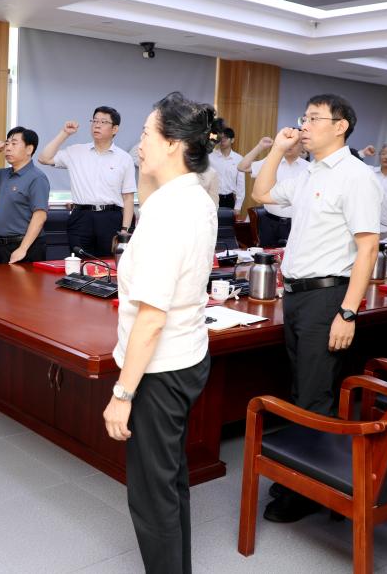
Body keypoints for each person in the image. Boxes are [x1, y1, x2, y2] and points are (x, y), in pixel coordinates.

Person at [252, 93, 381, 523]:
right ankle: (301, 475)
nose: (303, 126)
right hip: (298, 295)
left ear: (340, 126)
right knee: (302, 388)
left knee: (314, 394)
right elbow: (261, 192)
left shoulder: (355, 176)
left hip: (328, 297)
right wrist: (277, 150)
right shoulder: (309, 172)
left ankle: (308, 491)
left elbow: (367, 248)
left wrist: (348, 312)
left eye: (313, 119)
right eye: (303, 117)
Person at [102, 92, 216, 574]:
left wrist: (122, 394)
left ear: (173, 143)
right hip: (185, 356)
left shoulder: (171, 211)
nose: (139, 143)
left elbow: (150, 318)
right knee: (168, 480)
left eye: (147, 133)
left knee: (152, 494)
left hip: (159, 369)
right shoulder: (191, 196)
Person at [38, 107, 135, 257]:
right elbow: (44, 158)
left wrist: (125, 230)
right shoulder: (76, 151)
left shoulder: (124, 158)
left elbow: (128, 198)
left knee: (108, 264)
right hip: (81, 217)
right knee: (79, 262)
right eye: (94, 121)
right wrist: (64, 133)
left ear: (115, 129)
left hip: (110, 218)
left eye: (103, 122)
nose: (97, 125)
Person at [0, 127, 50, 264]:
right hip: (3, 245)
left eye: (14, 144)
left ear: (29, 149)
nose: (8, 148)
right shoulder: (5, 174)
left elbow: (40, 216)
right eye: (7, 144)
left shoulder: (37, 178)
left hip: (27, 245)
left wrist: (23, 248)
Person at [239, 136, 310, 247]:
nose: (289, 145)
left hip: (297, 223)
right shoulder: (271, 163)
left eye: (294, 143)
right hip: (269, 222)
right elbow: (242, 167)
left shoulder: (309, 168)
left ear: (302, 146)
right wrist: (260, 147)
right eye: (288, 141)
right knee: (267, 254)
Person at [207, 125, 245, 212]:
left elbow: (241, 185)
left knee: (228, 221)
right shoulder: (210, 157)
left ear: (232, 140)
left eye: (226, 138)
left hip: (229, 199)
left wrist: (238, 206)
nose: (222, 140)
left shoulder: (239, 159)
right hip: (213, 198)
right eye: (220, 138)